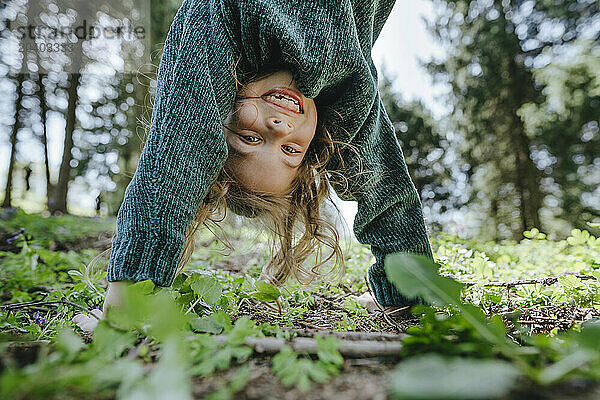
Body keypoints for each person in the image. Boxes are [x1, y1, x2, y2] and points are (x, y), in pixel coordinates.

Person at [74, 0, 434, 331]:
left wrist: (127, 303)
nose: (280, 129)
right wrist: (410, 296)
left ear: (217, 109)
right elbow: (386, 195)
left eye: (249, 138)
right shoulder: (346, 93)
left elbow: (178, 156)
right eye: (291, 150)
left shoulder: (222, 21)